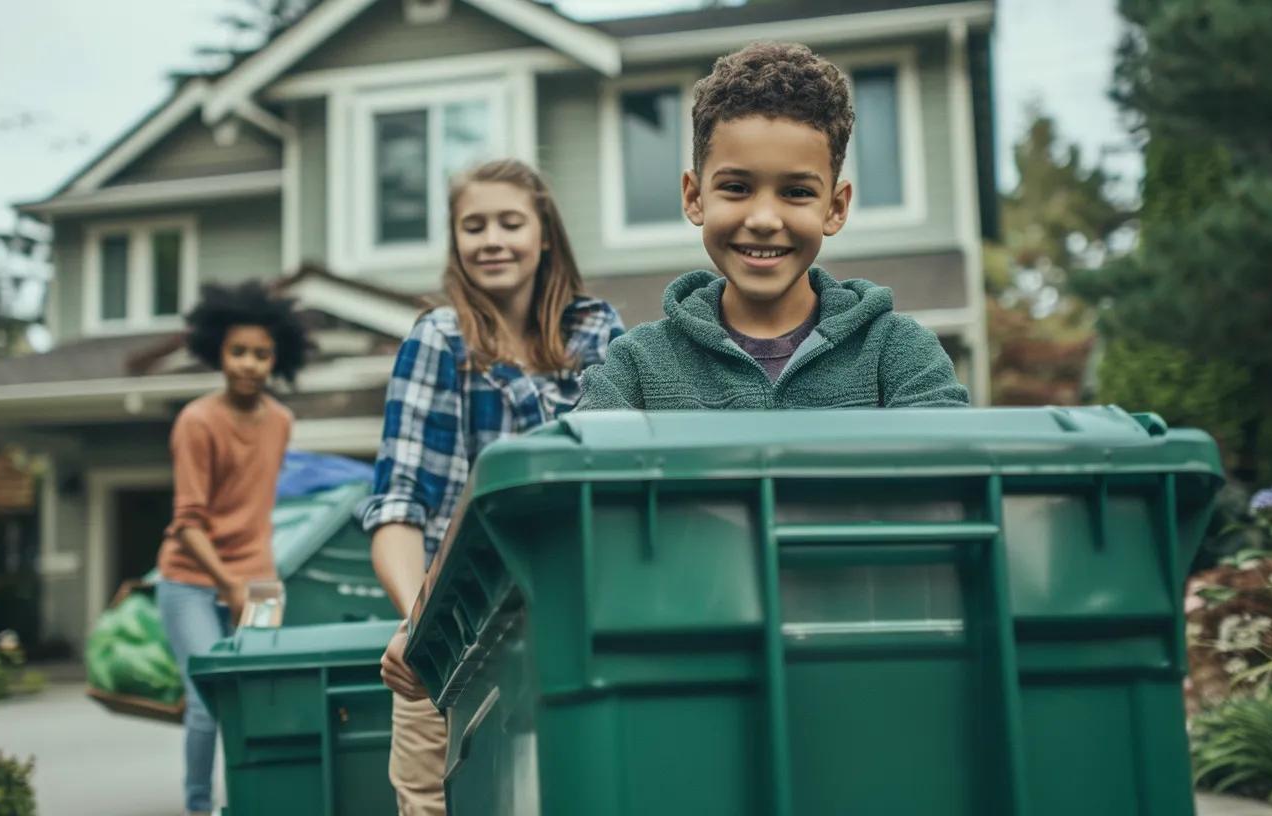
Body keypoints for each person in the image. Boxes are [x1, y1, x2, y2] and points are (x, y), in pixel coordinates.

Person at [358, 159, 624, 816]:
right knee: (437, 803)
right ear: (456, 242)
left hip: (575, 618)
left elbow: (618, 472)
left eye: (511, 222)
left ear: (544, 235)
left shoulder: (597, 334)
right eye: (473, 226)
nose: (492, 240)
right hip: (460, 635)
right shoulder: (438, 339)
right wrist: (423, 627)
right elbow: (399, 501)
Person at [577, 42, 969, 411]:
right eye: (736, 188)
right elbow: (575, 467)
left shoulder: (898, 353)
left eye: (796, 192)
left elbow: (957, 465)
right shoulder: (637, 366)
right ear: (694, 197)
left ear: (835, 207)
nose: (764, 219)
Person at [156, 280, 309, 816]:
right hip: (191, 580)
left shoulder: (283, 422)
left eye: (261, 354)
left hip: (259, 577)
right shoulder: (198, 421)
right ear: (217, 353)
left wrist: (255, 585)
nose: (249, 364)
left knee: (260, 698)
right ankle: (199, 806)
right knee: (206, 705)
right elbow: (187, 523)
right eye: (238, 352)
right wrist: (230, 587)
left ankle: (254, 801)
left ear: (277, 358)